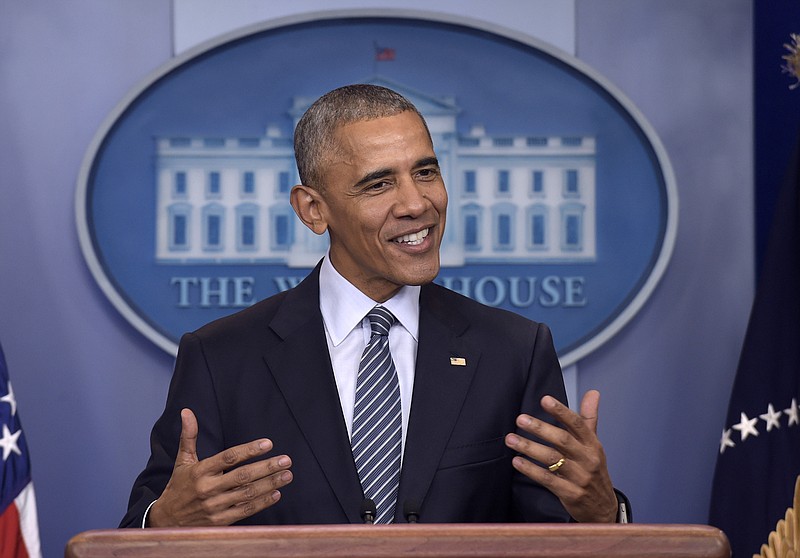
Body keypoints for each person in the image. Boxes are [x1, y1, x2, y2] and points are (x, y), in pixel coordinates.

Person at [120, 84, 620, 528]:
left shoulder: (514, 350)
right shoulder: (221, 357)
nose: (416, 203)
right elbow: (146, 527)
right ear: (313, 210)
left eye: (425, 171)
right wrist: (164, 522)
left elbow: (558, 531)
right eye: (379, 184)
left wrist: (601, 513)